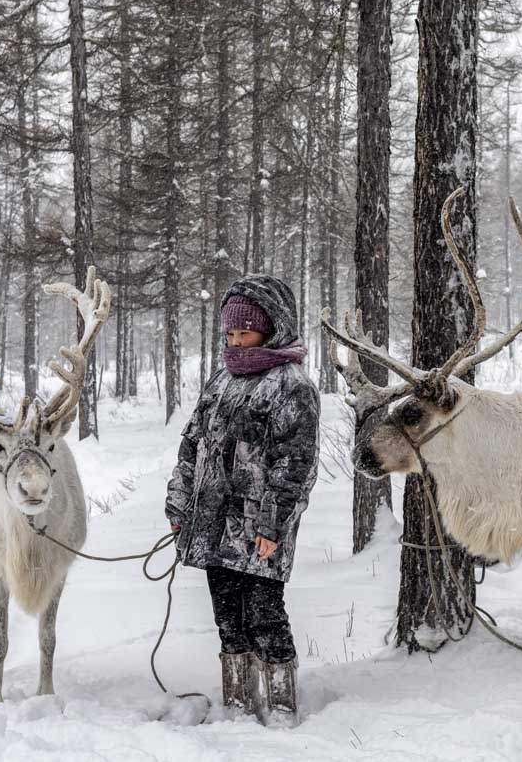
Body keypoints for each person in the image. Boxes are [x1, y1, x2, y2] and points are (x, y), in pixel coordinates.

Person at [165, 275, 320, 726]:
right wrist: (180, 505)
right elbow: (191, 445)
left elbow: (294, 467)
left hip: (258, 532)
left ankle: (283, 706)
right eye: (230, 334)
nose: (235, 342)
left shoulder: (292, 386)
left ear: (272, 329)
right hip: (212, 526)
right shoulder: (221, 381)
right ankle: (238, 702)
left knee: (265, 618)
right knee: (228, 619)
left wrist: (273, 526)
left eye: (244, 333)